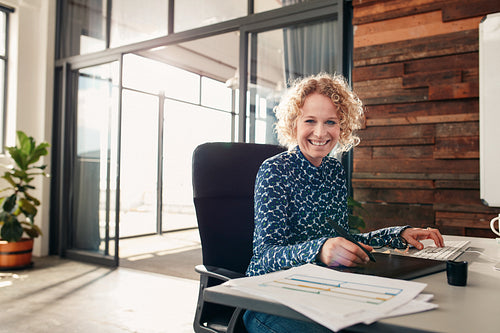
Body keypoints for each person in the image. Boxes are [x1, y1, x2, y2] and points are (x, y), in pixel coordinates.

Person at [243, 73, 444, 333]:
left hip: (319, 293)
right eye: (310, 121)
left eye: (331, 122)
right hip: (270, 302)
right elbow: (264, 256)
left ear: (342, 127)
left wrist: (397, 234)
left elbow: (342, 239)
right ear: (294, 124)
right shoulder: (275, 171)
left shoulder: (334, 171)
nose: (320, 132)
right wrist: (321, 249)